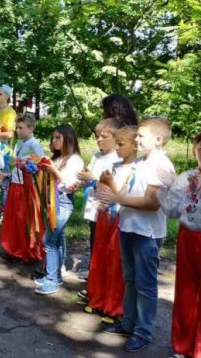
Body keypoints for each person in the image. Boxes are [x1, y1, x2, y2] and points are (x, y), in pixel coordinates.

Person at [96, 118, 176, 353]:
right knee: (130, 279)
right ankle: (128, 323)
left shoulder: (161, 165)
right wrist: (111, 186)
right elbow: (126, 193)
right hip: (129, 227)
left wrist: (117, 198)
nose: (137, 140)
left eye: (141, 136)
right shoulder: (140, 162)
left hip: (147, 233)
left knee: (145, 284)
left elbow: (153, 203)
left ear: (159, 140)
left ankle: (143, 331)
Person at [158, 127, 201, 358]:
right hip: (187, 237)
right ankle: (183, 347)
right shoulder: (185, 177)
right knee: (186, 293)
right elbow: (172, 211)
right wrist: (165, 191)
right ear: (195, 150)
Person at [85, 126, 137, 324]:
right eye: (117, 144)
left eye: (121, 145)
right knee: (100, 258)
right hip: (105, 215)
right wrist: (100, 188)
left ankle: (114, 306)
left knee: (116, 264)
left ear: (134, 146)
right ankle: (98, 298)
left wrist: (108, 185)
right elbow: (104, 189)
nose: (118, 148)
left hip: (119, 219)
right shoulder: (115, 165)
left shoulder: (135, 168)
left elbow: (125, 195)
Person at [35, 124, 84, 295]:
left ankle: (52, 280)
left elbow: (70, 185)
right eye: (53, 138)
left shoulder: (75, 160)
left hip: (62, 202)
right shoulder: (57, 158)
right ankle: (56, 274)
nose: (54, 141)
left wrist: (53, 170)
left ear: (67, 138)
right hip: (51, 201)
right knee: (57, 238)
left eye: (58, 137)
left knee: (48, 240)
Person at [76, 118, 123, 283]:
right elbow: (90, 176)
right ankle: (94, 272)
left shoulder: (117, 159)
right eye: (97, 136)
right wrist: (83, 178)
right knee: (94, 238)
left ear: (116, 138)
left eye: (104, 136)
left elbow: (115, 183)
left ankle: (103, 278)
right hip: (93, 205)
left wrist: (93, 177)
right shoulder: (96, 156)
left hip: (107, 209)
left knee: (105, 243)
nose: (99, 140)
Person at [0, 113, 45, 262]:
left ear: (31, 128)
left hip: (27, 186)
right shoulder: (19, 144)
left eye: (21, 128)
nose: (17, 131)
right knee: (13, 218)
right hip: (15, 183)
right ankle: (13, 248)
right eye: (16, 127)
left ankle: (26, 251)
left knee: (23, 219)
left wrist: (27, 165)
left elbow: (41, 164)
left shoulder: (34, 144)